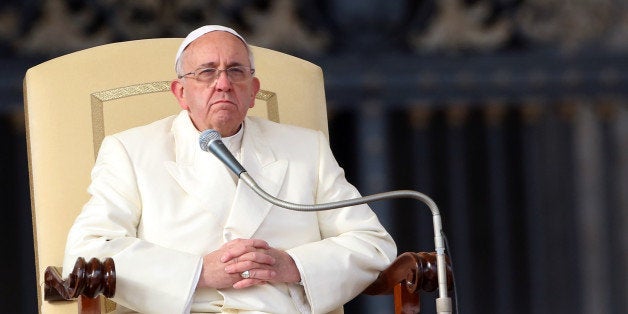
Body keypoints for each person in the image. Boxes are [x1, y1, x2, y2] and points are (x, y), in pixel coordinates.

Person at [62, 25, 396, 314]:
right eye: (206, 72)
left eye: (236, 71)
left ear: (253, 91)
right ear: (181, 93)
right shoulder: (132, 151)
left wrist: (294, 266)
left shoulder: (306, 149)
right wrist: (197, 273)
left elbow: (373, 244)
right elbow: (86, 252)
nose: (223, 83)